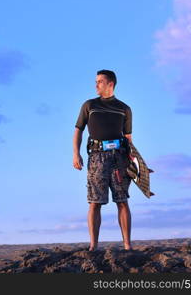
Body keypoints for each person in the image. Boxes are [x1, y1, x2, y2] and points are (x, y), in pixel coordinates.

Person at [72, 69, 133, 251]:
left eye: (99, 81)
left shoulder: (124, 109)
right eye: (96, 81)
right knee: (95, 202)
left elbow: (128, 138)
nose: (96, 85)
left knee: (122, 200)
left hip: (119, 158)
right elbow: (78, 131)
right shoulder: (89, 105)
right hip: (96, 157)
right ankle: (93, 246)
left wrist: (136, 163)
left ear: (110, 84)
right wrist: (76, 154)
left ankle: (127, 246)